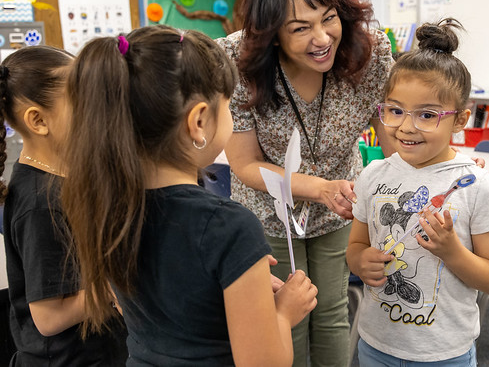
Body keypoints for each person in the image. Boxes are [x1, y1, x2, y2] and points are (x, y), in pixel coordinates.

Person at [60, 25, 318, 366]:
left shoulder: (106, 203)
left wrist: (239, 282)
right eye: (226, 106)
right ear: (198, 121)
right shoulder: (228, 225)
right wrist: (284, 313)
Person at [215, 0, 394, 366]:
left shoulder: (370, 51)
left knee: (331, 311)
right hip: (268, 209)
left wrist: (445, 168)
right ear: (272, 34)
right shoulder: (239, 63)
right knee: (284, 316)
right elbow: (244, 164)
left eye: (328, 18)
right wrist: (320, 189)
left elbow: (395, 140)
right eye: (300, 28)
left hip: (340, 205)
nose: (322, 38)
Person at [346, 19, 489, 366]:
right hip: (376, 345)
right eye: (395, 111)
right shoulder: (375, 174)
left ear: (460, 119)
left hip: (443, 353)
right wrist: (361, 262)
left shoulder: (475, 185)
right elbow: (356, 248)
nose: (407, 126)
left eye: (427, 115)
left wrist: (452, 252)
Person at [0, 46, 128, 366]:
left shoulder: (64, 178)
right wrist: (116, 287)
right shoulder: (39, 203)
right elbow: (48, 316)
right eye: (82, 102)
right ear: (39, 120)